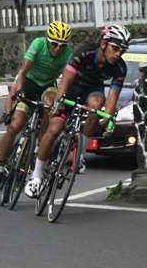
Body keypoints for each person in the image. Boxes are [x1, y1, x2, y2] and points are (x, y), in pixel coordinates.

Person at [24, 24, 130, 198]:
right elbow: (65, 81)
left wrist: (108, 122)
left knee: (97, 106)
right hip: (71, 88)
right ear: (104, 44)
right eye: (115, 48)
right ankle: (36, 177)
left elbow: (111, 100)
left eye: (122, 50)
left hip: (91, 92)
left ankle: (79, 154)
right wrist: (58, 105)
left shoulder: (120, 68)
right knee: (54, 129)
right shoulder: (84, 53)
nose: (118, 53)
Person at [0, 21, 74, 190]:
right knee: (15, 126)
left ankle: (39, 145)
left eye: (62, 46)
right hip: (28, 83)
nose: (57, 48)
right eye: (54, 44)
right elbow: (23, 72)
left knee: (51, 106)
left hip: (47, 86)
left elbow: (65, 80)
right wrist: (19, 90)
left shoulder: (67, 54)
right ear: (48, 40)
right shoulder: (38, 44)